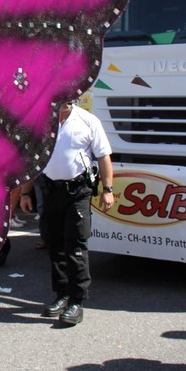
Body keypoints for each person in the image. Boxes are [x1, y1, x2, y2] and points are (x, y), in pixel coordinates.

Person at [19, 100, 114, 326]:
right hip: (50, 190)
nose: (67, 101)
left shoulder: (88, 121)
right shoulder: (41, 122)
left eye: (71, 96)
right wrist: (25, 192)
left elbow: (103, 156)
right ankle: (61, 295)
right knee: (55, 244)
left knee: (75, 245)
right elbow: (33, 160)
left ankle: (77, 301)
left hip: (78, 191)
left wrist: (108, 190)